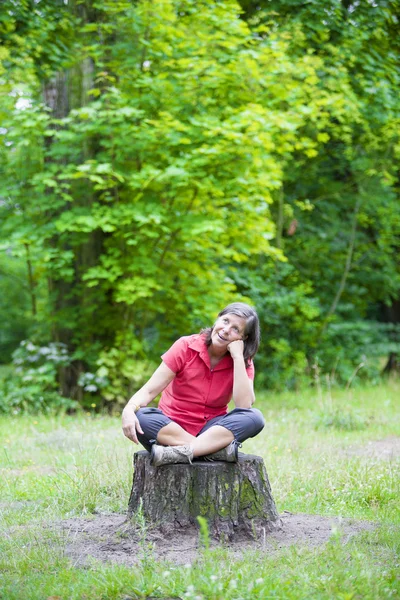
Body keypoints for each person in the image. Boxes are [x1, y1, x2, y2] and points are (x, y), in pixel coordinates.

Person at [121, 302, 265, 466]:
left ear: (243, 338)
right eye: (225, 321)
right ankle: (212, 452)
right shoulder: (185, 346)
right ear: (217, 320)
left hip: (211, 429)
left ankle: (180, 452)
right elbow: (149, 391)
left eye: (236, 329)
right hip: (171, 426)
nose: (226, 330)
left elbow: (244, 405)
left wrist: (238, 358)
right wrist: (129, 408)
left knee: (255, 418)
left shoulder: (242, 361)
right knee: (141, 418)